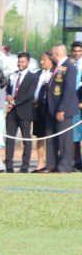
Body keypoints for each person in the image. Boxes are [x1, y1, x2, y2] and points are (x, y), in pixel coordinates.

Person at [44, 44, 78, 173]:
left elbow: (69, 90)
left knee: (64, 139)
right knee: (50, 138)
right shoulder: (57, 67)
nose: (51, 57)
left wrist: (62, 109)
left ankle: (64, 166)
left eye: (52, 54)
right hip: (51, 108)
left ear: (57, 54)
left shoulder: (70, 67)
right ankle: (51, 165)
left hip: (62, 110)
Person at [3, 52, 38, 173]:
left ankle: (24, 166)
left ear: (28, 62)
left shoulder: (32, 77)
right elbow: (8, 90)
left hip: (25, 112)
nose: (20, 64)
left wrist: (15, 102)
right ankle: (8, 165)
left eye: (22, 62)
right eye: (19, 61)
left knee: (26, 139)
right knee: (10, 139)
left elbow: (29, 94)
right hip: (12, 113)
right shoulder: (13, 75)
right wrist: (8, 96)